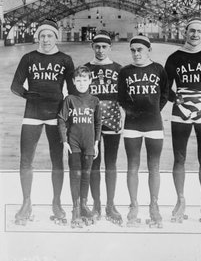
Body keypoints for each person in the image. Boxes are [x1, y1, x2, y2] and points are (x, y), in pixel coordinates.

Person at [11, 19, 75, 225]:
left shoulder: (65, 59)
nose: (46, 39)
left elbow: (73, 91)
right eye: (42, 35)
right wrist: (30, 96)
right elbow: (15, 85)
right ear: (38, 37)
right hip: (32, 113)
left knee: (57, 161)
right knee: (25, 160)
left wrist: (68, 111)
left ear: (56, 37)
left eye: (50, 35)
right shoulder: (28, 57)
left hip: (56, 114)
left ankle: (56, 202)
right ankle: (26, 202)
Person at [164, 16, 201, 223]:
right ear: (185, 32)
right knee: (179, 158)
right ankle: (180, 202)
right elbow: (165, 87)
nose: (195, 34)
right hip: (180, 111)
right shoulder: (174, 57)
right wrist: (177, 99)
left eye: (199, 31)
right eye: (192, 31)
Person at [118, 35, 169, 227]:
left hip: (154, 124)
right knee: (133, 166)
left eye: (140, 49)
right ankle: (133, 205)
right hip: (132, 124)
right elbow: (121, 97)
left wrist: (155, 109)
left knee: (154, 166)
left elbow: (165, 93)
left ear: (149, 51)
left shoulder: (158, 69)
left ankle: (154, 205)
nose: (136, 53)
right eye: (133, 50)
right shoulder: (125, 71)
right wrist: (132, 112)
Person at [85, 31, 123, 224]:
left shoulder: (119, 69)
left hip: (113, 119)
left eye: (104, 47)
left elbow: (126, 96)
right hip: (91, 120)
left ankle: (110, 204)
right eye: (97, 46)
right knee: (94, 163)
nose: (100, 50)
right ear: (92, 47)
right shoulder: (84, 68)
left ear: (110, 47)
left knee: (111, 163)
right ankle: (96, 204)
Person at [58, 66, 102, 227]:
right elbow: (62, 120)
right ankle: (76, 209)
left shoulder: (95, 100)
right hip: (74, 144)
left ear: (90, 81)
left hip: (90, 144)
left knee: (86, 175)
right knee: (75, 174)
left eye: (85, 80)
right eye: (79, 80)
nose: (82, 83)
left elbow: (98, 123)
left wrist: (97, 143)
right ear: (74, 82)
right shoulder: (69, 99)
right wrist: (64, 142)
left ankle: (84, 205)